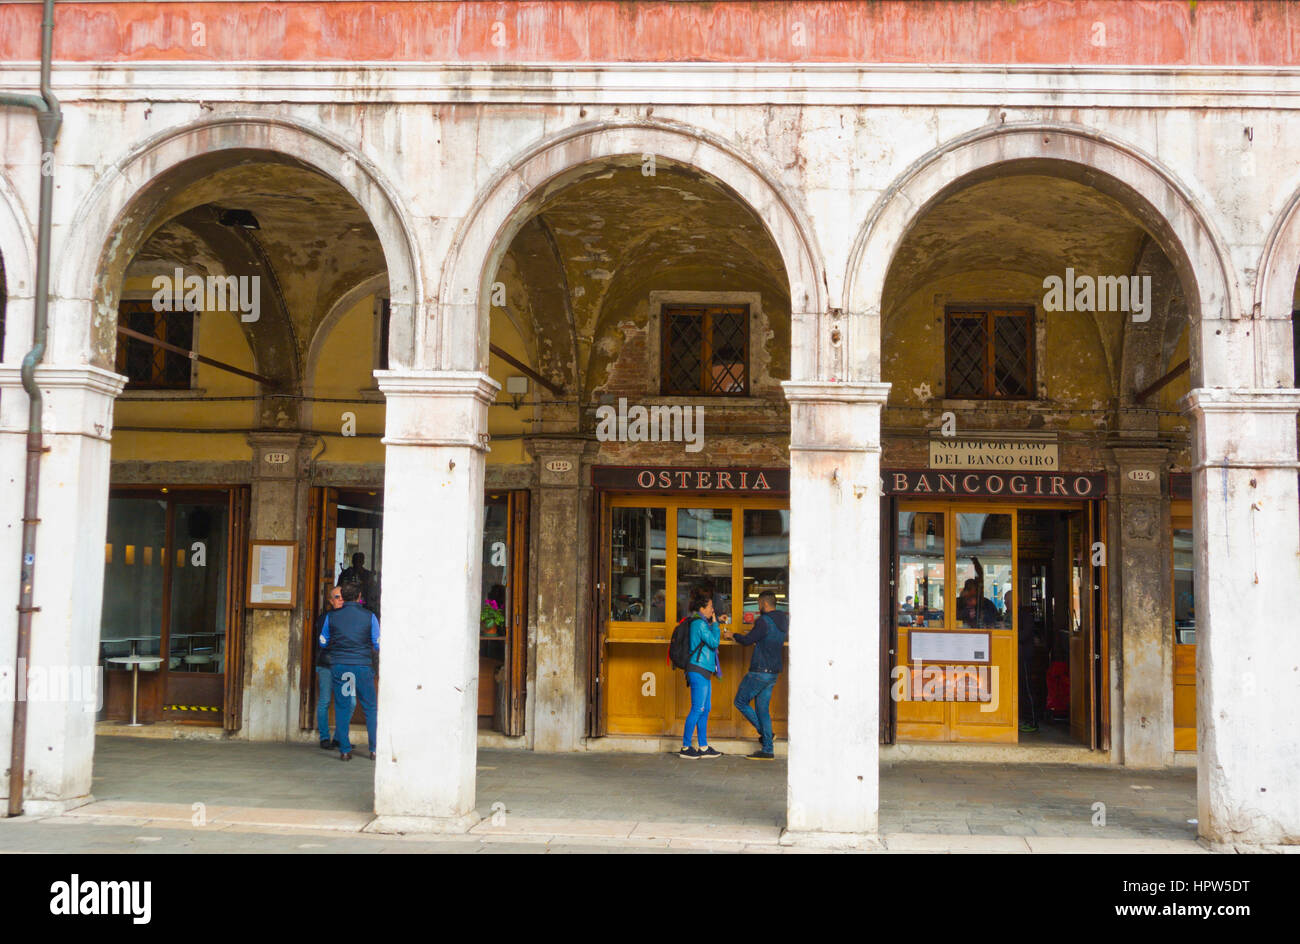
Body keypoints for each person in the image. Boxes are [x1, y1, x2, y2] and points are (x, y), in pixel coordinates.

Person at [319, 580, 380, 761]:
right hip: (362, 666)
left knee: (342, 706)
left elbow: (323, 641)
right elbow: (377, 643)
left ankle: (345, 750)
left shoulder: (331, 617)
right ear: (359, 596)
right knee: (370, 707)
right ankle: (374, 749)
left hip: (340, 666)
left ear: (343, 597)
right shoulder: (370, 616)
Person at [730, 590, 788, 759]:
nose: (758, 606)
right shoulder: (783, 620)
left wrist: (733, 635)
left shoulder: (764, 621)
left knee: (740, 701)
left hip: (759, 671)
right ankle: (768, 749)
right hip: (773, 672)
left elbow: (747, 640)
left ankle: (766, 734)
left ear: (764, 603)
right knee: (763, 710)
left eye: (759, 603)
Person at [679, 585, 723, 759]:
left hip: (704, 670)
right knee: (698, 709)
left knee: (705, 709)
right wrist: (716, 625)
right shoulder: (699, 624)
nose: (713, 609)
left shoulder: (702, 623)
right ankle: (685, 747)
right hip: (698, 669)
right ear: (702, 608)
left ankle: (703, 747)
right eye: (711, 607)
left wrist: (714, 623)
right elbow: (713, 642)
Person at [314, 585, 344, 749]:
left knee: (348, 702)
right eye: (337, 597)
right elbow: (324, 642)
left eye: (343, 596)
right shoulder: (325, 618)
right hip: (327, 664)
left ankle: (339, 738)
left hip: (345, 665)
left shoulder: (349, 616)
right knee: (325, 700)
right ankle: (324, 738)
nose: (341, 599)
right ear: (331, 601)